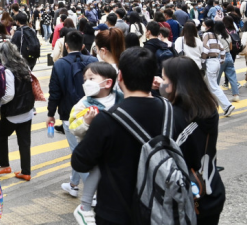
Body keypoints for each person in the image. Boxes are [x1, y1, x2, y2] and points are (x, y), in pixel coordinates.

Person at [72, 47, 181, 225]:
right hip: (160, 206)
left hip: (117, 211)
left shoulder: (106, 119)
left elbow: (80, 162)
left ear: (119, 77)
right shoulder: (171, 111)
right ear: (153, 78)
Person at [161, 57, 227, 225]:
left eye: (163, 79)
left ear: (175, 83)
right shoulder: (209, 108)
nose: (161, 83)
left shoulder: (172, 117)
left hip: (187, 198)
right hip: (212, 189)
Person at [69, 62, 125, 225]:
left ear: (108, 83)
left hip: (117, 147)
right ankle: (85, 207)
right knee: (97, 171)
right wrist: (85, 122)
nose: (87, 83)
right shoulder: (83, 104)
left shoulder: (120, 97)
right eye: (85, 79)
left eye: (92, 78)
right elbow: (73, 127)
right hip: (97, 149)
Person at [48, 31, 98, 198]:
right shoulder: (92, 61)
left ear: (66, 45)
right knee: (82, 150)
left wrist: (50, 113)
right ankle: (73, 185)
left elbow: (54, 92)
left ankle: (93, 194)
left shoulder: (59, 64)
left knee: (77, 153)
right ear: (83, 46)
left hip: (70, 115)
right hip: (93, 112)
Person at [0, 42, 35, 181]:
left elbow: (9, 95)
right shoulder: (25, 66)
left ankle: (5, 164)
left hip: (13, 113)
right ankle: (26, 171)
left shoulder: (7, 71)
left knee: (0, 135)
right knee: (24, 142)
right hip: (27, 112)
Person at [214, 21, 241, 103]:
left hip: (220, 57)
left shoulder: (216, 37)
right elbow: (231, 48)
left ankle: (216, 96)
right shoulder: (228, 36)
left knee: (216, 78)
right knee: (232, 76)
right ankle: (236, 95)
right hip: (229, 55)